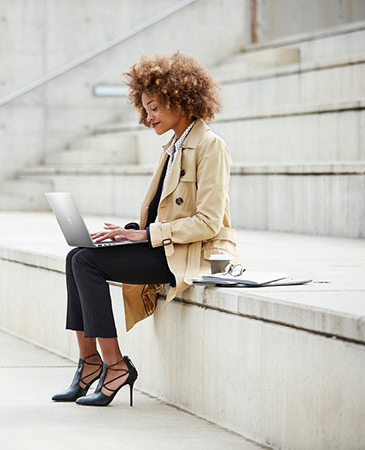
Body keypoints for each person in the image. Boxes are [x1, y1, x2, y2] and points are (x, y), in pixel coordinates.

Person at [51, 52, 240, 407]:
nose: (148, 117)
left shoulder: (211, 146)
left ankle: (115, 367)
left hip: (186, 256)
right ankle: (89, 363)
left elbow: (208, 222)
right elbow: (161, 212)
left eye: (154, 107)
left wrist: (145, 236)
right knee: (76, 254)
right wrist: (129, 231)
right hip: (161, 246)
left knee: (85, 263)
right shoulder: (172, 147)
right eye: (146, 109)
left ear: (180, 99)